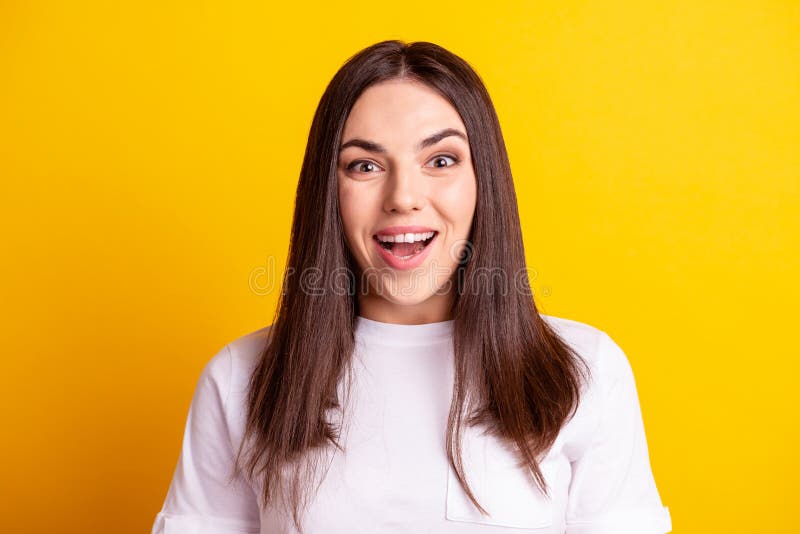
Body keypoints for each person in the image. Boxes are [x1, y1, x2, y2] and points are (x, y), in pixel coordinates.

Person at [151, 40, 672, 534]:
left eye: (440, 161)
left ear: (482, 180)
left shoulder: (584, 372)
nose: (404, 197)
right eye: (366, 165)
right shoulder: (243, 379)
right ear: (327, 191)